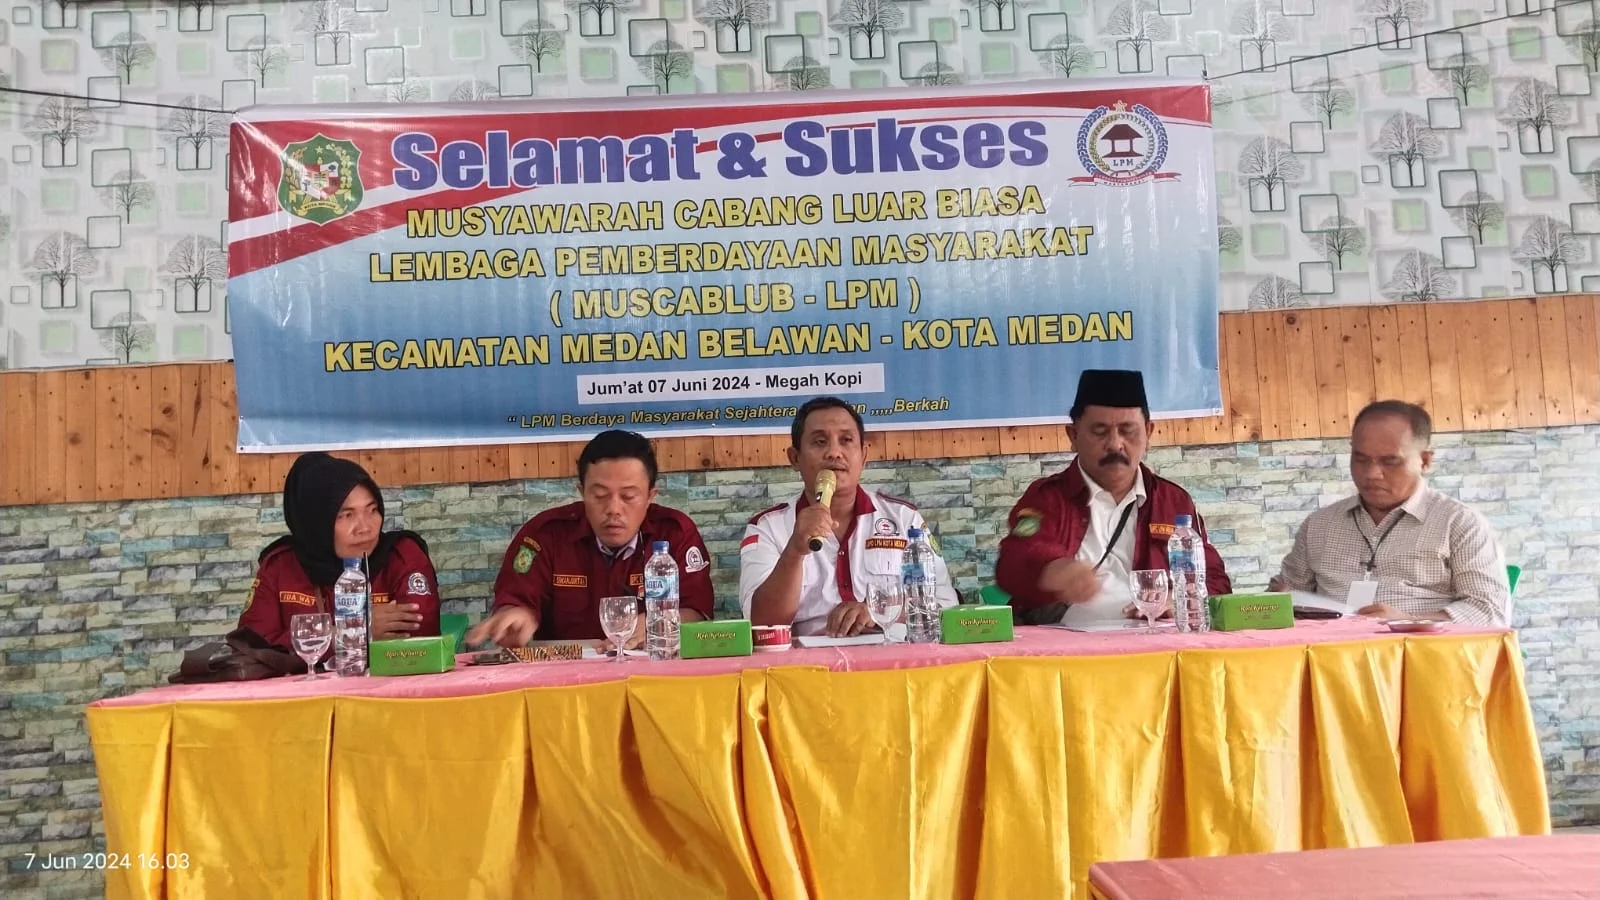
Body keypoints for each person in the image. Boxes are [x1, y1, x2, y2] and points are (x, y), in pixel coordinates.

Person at [995, 369, 1232, 626]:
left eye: (1128, 431)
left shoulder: (1173, 501)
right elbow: (1012, 564)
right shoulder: (1047, 498)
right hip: (1064, 642)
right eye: (1100, 431)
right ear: (1073, 436)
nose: (1115, 444)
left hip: (1152, 640)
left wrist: (1177, 599)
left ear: (1148, 433)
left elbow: (1215, 581)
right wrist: (1051, 570)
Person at [1271, 400, 1509, 625]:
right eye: (1361, 459)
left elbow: (1489, 612)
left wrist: (1409, 621)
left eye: (1390, 461)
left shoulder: (1459, 523)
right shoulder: (1319, 524)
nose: (1372, 474)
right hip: (1331, 650)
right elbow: (1285, 596)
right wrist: (1277, 602)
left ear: (1425, 461)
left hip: (1419, 651)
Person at [469, 430, 714, 648]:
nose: (613, 509)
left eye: (628, 496)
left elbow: (698, 613)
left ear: (650, 496)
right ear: (582, 492)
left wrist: (657, 621)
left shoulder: (674, 533)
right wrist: (515, 617)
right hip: (564, 675)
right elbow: (515, 601)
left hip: (653, 670)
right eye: (600, 495)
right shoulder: (545, 535)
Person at [741, 396, 958, 637]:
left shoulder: (906, 520)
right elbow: (760, 625)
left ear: (863, 456)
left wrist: (880, 609)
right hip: (808, 659)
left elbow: (946, 604)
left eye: (846, 440)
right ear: (795, 458)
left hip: (892, 656)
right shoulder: (767, 527)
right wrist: (794, 551)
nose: (834, 453)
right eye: (819, 442)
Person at [241, 452, 440, 650]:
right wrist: (352, 631)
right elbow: (249, 647)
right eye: (346, 515)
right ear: (316, 521)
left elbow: (419, 644)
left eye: (372, 510)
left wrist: (307, 638)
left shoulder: (402, 557)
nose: (365, 528)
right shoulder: (279, 566)